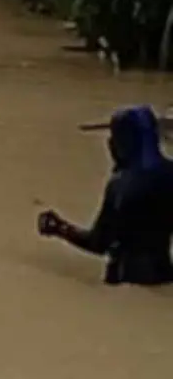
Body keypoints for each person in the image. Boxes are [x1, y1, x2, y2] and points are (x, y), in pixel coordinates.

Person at [38, 105, 173, 285]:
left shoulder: (122, 186)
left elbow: (98, 243)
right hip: (164, 274)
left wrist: (60, 228)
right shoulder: (169, 175)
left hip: (126, 278)